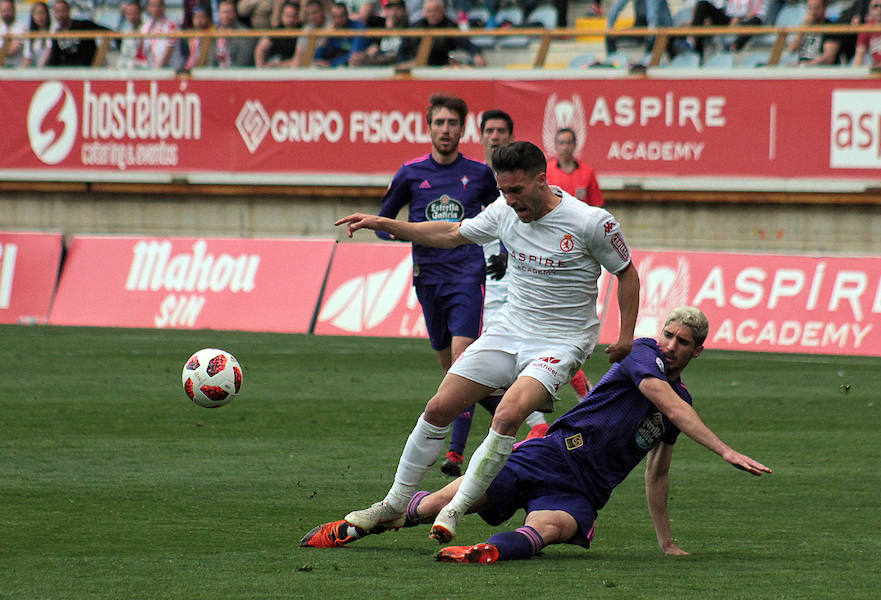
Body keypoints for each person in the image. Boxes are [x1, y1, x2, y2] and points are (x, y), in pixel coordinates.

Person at [334, 140, 640, 543]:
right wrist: (387, 223)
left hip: (561, 341)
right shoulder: (503, 212)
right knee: (440, 406)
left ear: (541, 181)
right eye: (503, 191)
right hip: (509, 329)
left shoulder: (590, 223)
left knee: (508, 414)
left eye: (517, 191)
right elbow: (449, 232)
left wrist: (626, 337)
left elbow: (628, 274)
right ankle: (393, 503)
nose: (510, 200)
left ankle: (455, 508)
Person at [303, 307, 772, 562]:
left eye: (682, 342)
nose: (670, 345)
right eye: (668, 335)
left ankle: (481, 553)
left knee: (551, 529)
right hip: (546, 455)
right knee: (433, 506)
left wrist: (666, 541)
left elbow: (658, 474)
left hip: (584, 490)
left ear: (698, 351)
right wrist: (725, 449)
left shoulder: (681, 404)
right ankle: (356, 525)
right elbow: (663, 399)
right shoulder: (642, 355)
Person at [439, 109, 550, 478]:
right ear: (482, 135)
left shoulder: (507, 180)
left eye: (502, 131)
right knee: (461, 369)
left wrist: (504, 254)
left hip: (500, 280)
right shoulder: (474, 175)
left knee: (468, 363)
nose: (495, 137)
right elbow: (467, 227)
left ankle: (459, 451)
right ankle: (538, 416)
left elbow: (519, 221)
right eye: (490, 131)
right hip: (463, 275)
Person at [374, 94, 497, 381]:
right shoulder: (410, 173)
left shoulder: (479, 174)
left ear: (462, 129)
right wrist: (408, 234)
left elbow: (504, 217)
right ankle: (504, 409)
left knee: (461, 364)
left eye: (452, 123)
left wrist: (502, 252)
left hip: (467, 275)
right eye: (439, 122)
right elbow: (384, 222)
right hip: (428, 278)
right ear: (428, 128)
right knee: (450, 370)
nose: (446, 129)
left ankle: (486, 423)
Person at [397, 0, 486, 67]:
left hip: (440, 67)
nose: (432, 14)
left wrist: (476, 55)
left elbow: (466, 44)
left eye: (435, 11)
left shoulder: (450, 27)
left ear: (444, 10)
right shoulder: (416, 27)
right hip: (414, 67)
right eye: (429, 11)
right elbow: (403, 48)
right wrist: (401, 63)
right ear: (424, 12)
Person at [688, 0, 767, 61]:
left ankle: (735, 46)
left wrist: (739, 20)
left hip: (745, 20)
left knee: (755, 21)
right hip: (729, 19)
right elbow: (723, 8)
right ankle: (695, 40)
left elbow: (757, 13)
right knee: (703, 5)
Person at [547, 128, 604, 209]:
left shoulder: (588, 172)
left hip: (581, 220)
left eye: (568, 143)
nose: (565, 147)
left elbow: (596, 205)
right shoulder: (546, 171)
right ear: (555, 146)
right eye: (561, 143)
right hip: (554, 219)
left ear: (575, 145)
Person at [46, 0, 109, 66]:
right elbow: (55, 57)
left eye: (63, 10)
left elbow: (106, 31)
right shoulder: (57, 33)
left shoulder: (83, 25)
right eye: (57, 11)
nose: (60, 14)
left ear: (68, 10)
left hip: (86, 67)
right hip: (68, 69)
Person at [349, 0, 408, 66]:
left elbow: (397, 55)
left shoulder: (410, 30)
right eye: (390, 9)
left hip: (394, 65)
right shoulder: (380, 25)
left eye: (397, 9)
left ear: (404, 11)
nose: (393, 13)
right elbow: (374, 48)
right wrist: (363, 55)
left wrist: (371, 61)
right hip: (378, 60)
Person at [786, 0, 840, 65]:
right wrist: (802, 30)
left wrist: (804, 65)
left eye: (816, 8)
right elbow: (792, 49)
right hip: (803, 71)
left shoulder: (831, 27)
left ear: (824, 8)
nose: (812, 11)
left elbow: (828, 58)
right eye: (810, 8)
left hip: (821, 71)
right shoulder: (805, 26)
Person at [312, 2, 367, 67]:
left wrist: (331, 64)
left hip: (353, 65)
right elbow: (317, 57)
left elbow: (354, 54)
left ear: (347, 15)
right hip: (334, 65)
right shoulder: (332, 29)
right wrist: (325, 37)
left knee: (354, 61)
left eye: (341, 16)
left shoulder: (358, 27)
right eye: (334, 17)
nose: (338, 20)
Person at [852, 0, 881, 68]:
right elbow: (859, 56)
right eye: (875, 6)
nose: (879, 10)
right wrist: (853, 73)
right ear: (869, 8)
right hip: (876, 70)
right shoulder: (866, 29)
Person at [254, 0, 299, 66]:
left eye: (293, 16)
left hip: (291, 69)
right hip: (274, 64)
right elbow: (260, 50)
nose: (290, 20)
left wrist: (278, 65)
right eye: (287, 16)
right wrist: (262, 67)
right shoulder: (277, 30)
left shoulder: (301, 31)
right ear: (282, 16)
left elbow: (297, 60)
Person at [140, 0, 182, 69]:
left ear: (163, 7)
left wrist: (159, 68)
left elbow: (170, 49)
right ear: (148, 8)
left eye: (158, 5)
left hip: (170, 69)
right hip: (152, 68)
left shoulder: (171, 25)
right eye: (153, 6)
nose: (156, 8)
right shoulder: (145, 27)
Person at [214, 0, 256, 66]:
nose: (226, 16)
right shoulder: (214, 32)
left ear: (235, 14)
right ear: (219, 14)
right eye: (223, 12)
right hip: (214, 74)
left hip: (236, 73)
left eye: (229, 12)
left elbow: (243, 62)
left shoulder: (245, 34)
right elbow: (211, 60)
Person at [287, 0, 327, 67]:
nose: (311, 17)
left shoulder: (332, 25)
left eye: (314, 13)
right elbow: (298, 55)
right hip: (310, 67)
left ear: (323, 11)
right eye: (308, 14)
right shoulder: (306, 29)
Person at [182, 4, 216, 68]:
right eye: (196, 17)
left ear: (208, 19)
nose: (199, 21)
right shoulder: (188, 35)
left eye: (202, 17)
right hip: (188, 69)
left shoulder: (212, 35)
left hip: (203, 70)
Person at [116, 0, 147, 69]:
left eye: (135, 13)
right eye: (129, 13)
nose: (132, 16)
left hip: (145, 67)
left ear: (140, 13)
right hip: (130, 67)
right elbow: (124, 54)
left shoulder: (147, 29)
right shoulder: (126, 32)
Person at [22, 1, 52, 67]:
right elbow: (27, 57)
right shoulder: (29, 34)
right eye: (37, 13)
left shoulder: (52, 31)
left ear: (47, 15)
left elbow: (49, 52)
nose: (40, 16)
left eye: (43, 13)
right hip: (34, 72)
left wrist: (40, 68)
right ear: (33, 16)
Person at [0, 0, 27, 67]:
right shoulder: (1, 29)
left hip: (16, 69)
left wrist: (3, 51)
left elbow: (12, 50)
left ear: (14, 10)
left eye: (8, 10)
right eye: (3, 11)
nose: (6, 13)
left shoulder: (22, 28)